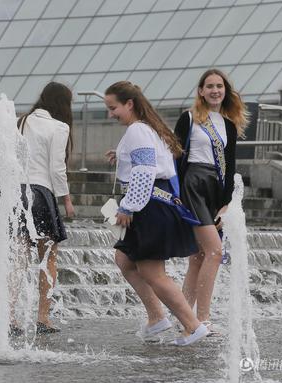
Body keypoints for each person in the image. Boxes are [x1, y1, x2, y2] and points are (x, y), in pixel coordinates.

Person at [104, 81, 208, 345]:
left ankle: (193, 326)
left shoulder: (138, 130)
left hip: (150, 206)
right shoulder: (146, 128)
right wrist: (121, 155)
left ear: (129, 104)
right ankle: (156, 318)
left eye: (113, 107)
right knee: (124, 259)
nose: (110, 114)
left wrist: (129, 206)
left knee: (152, 272)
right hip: (157, 204)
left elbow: (145, 170)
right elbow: (153, 162)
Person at [174, 69, 248, 333]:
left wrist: (226, 202)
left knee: (199, 256)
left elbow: (230, 165)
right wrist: (176, 195)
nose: (215, 90)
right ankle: (202, 320)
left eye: (220, 86)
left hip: (214, 190)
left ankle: (185, 320)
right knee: (215, 252)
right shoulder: (190, 118)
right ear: (201, 91)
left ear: (225, 90)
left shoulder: (228, 124)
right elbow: (176, 156)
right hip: (192, 185)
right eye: (210, 86)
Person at [14, 82, 75, 335]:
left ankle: (9, 318)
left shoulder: (19, 121)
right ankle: (43, 318)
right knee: (47, 257)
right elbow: (56, 168)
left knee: (17, 258)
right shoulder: (59, 127)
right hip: (41, 193)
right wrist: (67, 200)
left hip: (16, 192)